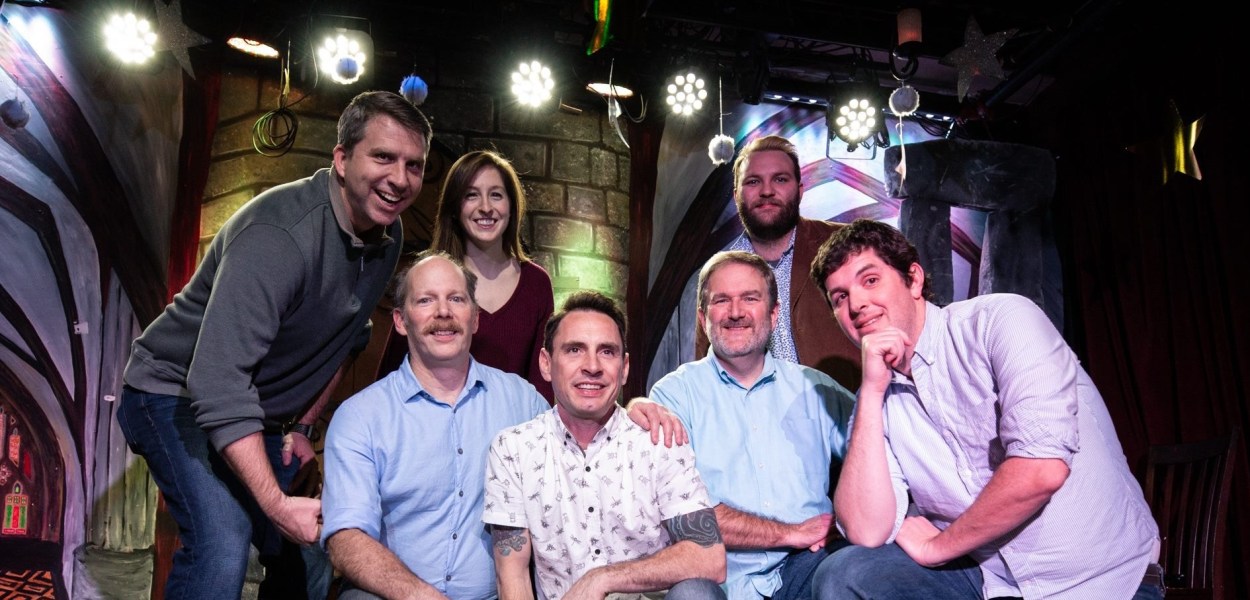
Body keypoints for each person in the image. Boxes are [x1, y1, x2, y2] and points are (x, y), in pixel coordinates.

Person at [116, 90, 430, 600]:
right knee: (223, 543)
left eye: (414, 165)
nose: (399, 178)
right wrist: (278, 506)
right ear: (342, 158)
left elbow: (351, 336)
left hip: (251, 410)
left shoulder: (386, 235)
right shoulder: (279, 235)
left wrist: (302, 425)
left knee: (315, 547)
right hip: (173, 396)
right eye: (383, 157)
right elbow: (217, 381)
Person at [809, 219, 1162, 600]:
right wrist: (871, 392)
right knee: (844, 574)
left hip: (1103, 582)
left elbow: (1041, 470)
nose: (857, 304)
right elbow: (865, 530)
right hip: (992, 583)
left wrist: (936, 546)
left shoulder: (1001, 321)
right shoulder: (876, 396)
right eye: (840, 298)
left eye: (870, 280)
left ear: (913, 280)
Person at [323, 256, 685, 599]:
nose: (443, 312)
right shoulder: (361, 417)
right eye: (425, 300)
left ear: (475, 318)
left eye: (456, 299)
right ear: (401, 321)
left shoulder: (521, 400)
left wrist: (634, 407)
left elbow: (580, 418)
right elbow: (346, 538)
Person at [485, 292, 727, 600]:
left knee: (697, 593)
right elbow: (513, 576)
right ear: (546, 363)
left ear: (624, 368)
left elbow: (710, 557)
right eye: (574, 350)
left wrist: (602, 578)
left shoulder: (659, 440)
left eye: (607, 352)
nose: (592, 366)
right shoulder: (514, 449)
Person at [649, 251, 856, 600]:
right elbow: (684, 516)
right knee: (690, 595)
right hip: (717, 577)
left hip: (805, 567)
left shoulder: (816, 389)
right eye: (721, 301)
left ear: (774, 314)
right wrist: (790, 532)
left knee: (853, 569)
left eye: (750, 298)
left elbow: (882, 453)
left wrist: (846, 520)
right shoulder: (673, 396)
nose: (735, 312)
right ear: (702, 317)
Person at [377, 150, 555, 400]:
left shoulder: (536, 284)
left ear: (512, 206)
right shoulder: (425, 278)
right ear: (455, 207)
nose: (486, 207)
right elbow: (391, 376)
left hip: (514, 422)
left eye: (496, 195)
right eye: (472, 195)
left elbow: (542, 385)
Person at [695, 135, 860, 389]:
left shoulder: (846, 246)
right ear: (736, 195)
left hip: (842, 408)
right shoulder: (719, 272)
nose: (767, 191)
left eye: (780, 179)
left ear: (800, 191)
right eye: (753, 181)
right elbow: (704, 365)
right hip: (751, 412)